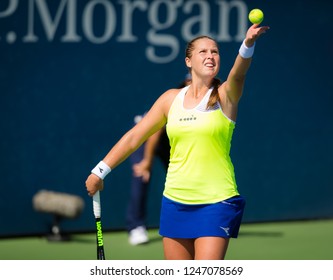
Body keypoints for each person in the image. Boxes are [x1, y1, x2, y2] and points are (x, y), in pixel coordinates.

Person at [86, 23, 269, 260]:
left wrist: (248, 44)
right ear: (188, 61)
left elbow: (239, 72)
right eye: (203, 51)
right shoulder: (170, 99)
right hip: (175, 202)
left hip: (217, 201)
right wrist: (100, 171)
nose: (210, 56)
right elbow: (134, 137)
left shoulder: (226, 95)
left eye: (215, 51)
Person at [126, 74, 192, 246]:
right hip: (146, 137)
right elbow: (154, 134)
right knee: (142, 175)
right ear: (184, 83)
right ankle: (136, 227)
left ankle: (189, 221)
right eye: (190, 81)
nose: (193, 84)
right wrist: (147, 162)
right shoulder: (176, 100)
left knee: (183, 176)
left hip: (169, 141)